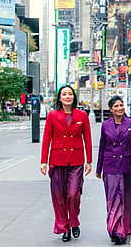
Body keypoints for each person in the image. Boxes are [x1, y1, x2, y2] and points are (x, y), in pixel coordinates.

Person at [40, 85, 93, 242]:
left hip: (76, 160)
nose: (67, 97)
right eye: (64, 94)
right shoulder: (52, 115)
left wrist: (89, 161)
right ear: (60, 98)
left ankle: (74, 222)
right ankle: (64, 228)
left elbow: (88, 139)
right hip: (57, 160)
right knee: (58, 196)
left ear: (74, 97)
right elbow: (46, 139)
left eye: (70, 94)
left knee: (73, 194)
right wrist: (44, 161)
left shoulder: (82, 115)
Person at [96, 95, 131, 244]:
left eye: (121, 105)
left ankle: (124, 229)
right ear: (111, 109)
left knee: (126, 200)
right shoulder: (105, 125)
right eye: (116, 106)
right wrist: (99, 168)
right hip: (110, 168)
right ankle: (114, 230)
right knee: (113, 200)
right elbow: (102, 147)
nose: (119, 108)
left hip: (128, 167)